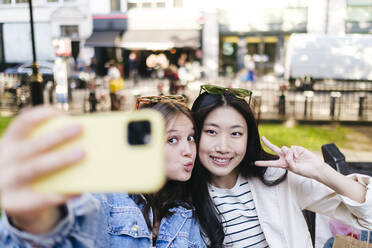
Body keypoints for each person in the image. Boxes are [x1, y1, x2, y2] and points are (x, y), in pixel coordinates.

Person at [0, 102, 206, 247]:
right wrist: (36, 223)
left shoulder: (187, 211)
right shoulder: (108, 197)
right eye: (172, 140)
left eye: (191, 137)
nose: (188, 150)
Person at [190, 84, 372, 248]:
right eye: (211, 131)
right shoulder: (182, 196)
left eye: (236, 133)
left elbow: (368, 216)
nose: (223, 147)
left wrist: (320, 171)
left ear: (248, 138)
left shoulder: (276, 178)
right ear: (194, 135)